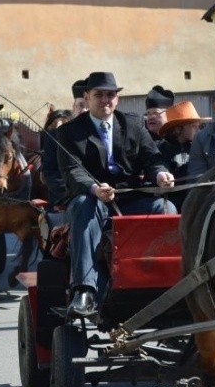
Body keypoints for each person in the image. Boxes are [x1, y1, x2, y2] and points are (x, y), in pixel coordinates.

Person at [57, 71, 175, 315]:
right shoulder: (69, 131)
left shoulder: (133, 124)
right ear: (87, 97)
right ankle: (84, 290)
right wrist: (95, 188)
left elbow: (152, 159)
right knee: (83, 206)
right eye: (98, 95)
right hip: (92, 198)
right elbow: (72, 172)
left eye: (110, 95)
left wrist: (160, 174)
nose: (105, 100)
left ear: (117, 99)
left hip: (130, 198)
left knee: (167, 209)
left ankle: (167, 282)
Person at [41, 80, 87, 209]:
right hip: (67, 198)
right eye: (80, 105)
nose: (84, 110)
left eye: (88, 106)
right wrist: (72, 193)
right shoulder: (56, 135)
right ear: (74, 108)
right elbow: (50, 173)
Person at [157, 101, 210, 210]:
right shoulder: (161, 149)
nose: (198, 130)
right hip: (170, 201)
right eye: (194, 126)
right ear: (178, 129)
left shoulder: (200, 147)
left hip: (195, 199)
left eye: (199, 126)